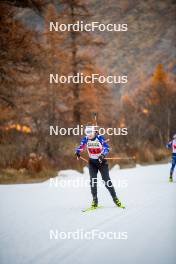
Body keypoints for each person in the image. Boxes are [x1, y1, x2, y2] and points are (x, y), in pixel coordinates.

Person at [75, 125, 125, 209]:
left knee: (106, 181)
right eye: (87, 133)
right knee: (93, 181)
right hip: (92, 163)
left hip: (102, 162)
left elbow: (107, 148)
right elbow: (81, 147)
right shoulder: (86, 139)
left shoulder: (100, 138)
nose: (89, 134)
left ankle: (115, 199)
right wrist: (78, 152)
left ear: (94, 131)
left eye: (90, 132)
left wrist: (102, 155)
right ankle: (95, 201)